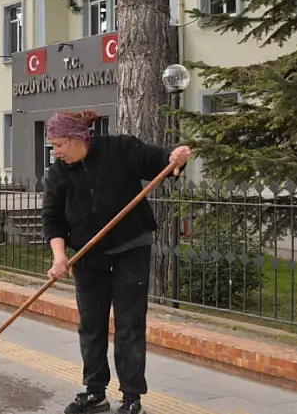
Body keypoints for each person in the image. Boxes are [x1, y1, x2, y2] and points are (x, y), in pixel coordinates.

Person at [41, 111, 191, 414]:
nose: (54, 151)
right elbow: (53, 220)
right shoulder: (58, 173)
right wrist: (60, 257)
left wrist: (176, 156)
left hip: (130, 249)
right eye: (53, 146)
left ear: (76, 138)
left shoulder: (120, 149)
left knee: (129, 324)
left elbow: (158, 159)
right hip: (88, 255)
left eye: (58, 145)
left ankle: (131, 397)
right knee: (91, 325)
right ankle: (95, 392)